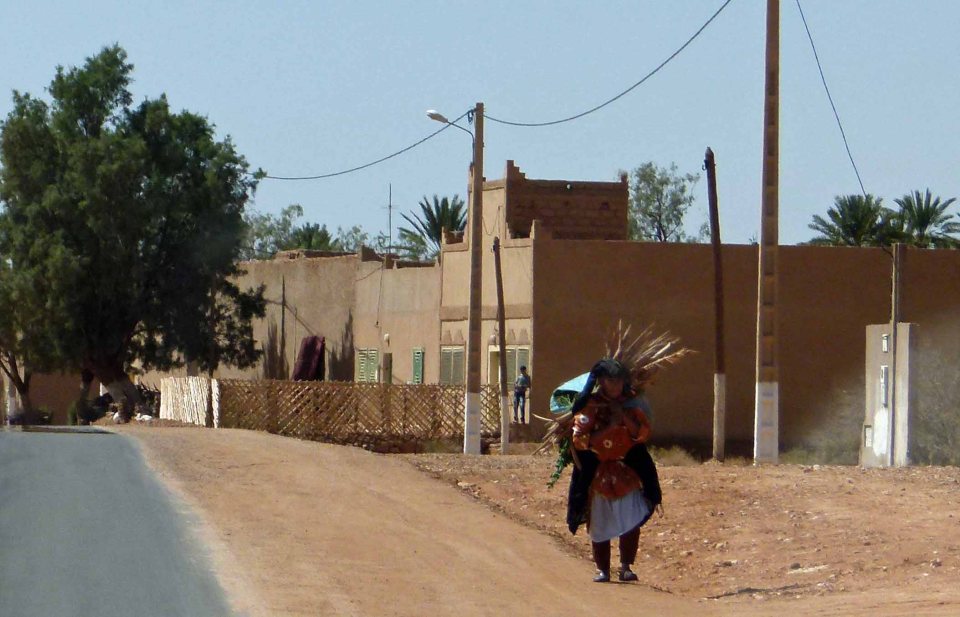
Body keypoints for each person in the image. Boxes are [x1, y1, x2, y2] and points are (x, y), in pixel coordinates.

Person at [566, 358, 661, 583]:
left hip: (627, 470)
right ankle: (603, 569)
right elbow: (580, 440)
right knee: (600, 520)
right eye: (611, 381)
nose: (616, 385)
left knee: (631, 518)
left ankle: (626, 567)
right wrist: (610, 425)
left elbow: (642, 433)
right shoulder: (590, 405)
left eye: (619, 381)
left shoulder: (632, 403)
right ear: (601, 381)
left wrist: (623, 416)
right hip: (599, 472)